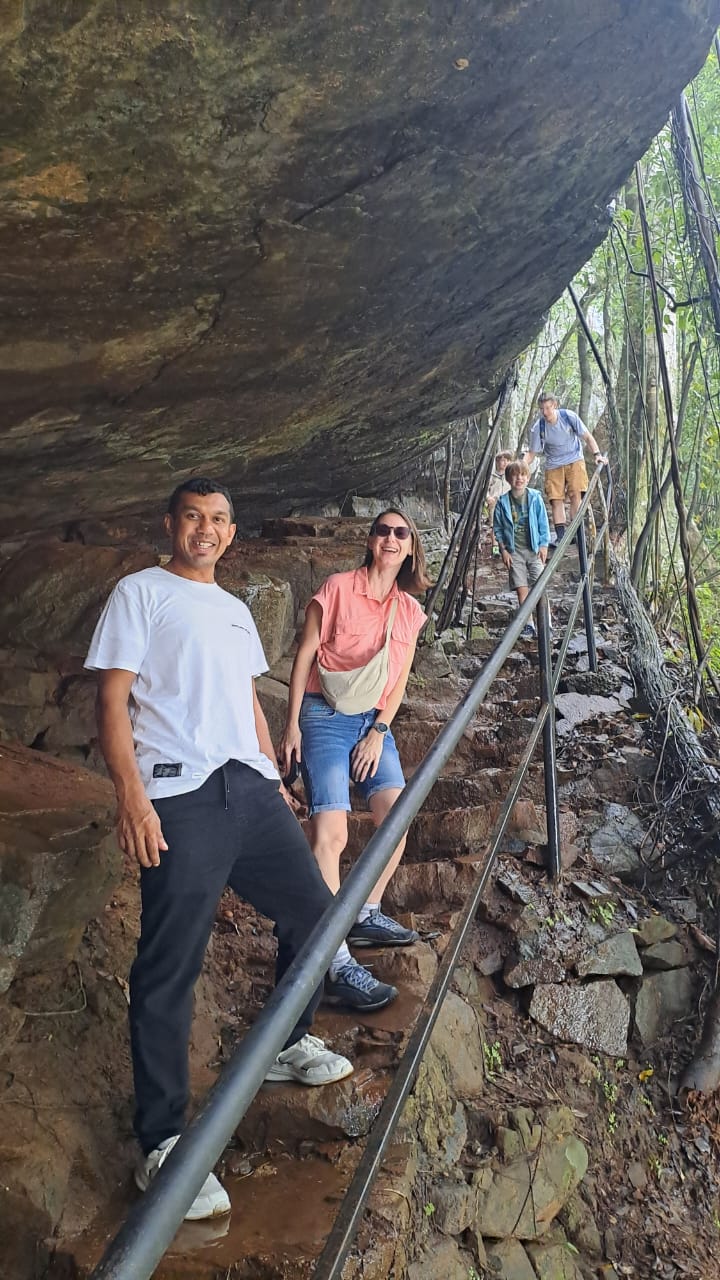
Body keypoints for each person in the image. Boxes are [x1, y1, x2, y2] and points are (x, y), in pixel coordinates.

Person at [85, 477, 353, 1222]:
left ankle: (285, 1043)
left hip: (252, 788)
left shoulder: (236, 612)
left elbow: (245, 701)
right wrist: (131, 795)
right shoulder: (139, 593)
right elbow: (111, 702)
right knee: (171, 959)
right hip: (179, 791)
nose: (206, 530)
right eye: (194, 517)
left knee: (315, 911)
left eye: (219, 521)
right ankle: (165, 1143)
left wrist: (275, 779)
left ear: (232, 535)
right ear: (171, 523)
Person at [278, 510, 431, 1012]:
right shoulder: (338, 588)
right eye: (382, 531)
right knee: (332, 834)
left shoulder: (408, 610)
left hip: (373, 723)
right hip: (324, 715)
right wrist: (293, 723)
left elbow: (400, 678)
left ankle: (364, 907)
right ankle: (336, 959)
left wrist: (380, 731)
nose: (390, 539)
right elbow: (304, 655)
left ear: (411, 548)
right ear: (370, 541)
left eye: (400, 533)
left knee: (397, 817)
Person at [524, 391, 608, 544]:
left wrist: (597, 454)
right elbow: (531, 453)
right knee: (556, 499)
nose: (545, 412)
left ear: (555, 406)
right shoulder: (539, 427)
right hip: (553, 464)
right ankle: (562, 537)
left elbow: (587, 437)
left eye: (548, 408)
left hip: (574, 459)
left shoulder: (568, 417)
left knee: (576, 495)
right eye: (542, 409)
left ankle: (576, 532)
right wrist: (521, 466)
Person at [493, 460, 550, 639]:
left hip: (533, 549)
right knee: (521, 588)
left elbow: (543, 523)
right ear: (509, 479)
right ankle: (529, 624)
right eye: (515, 475)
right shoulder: (502, 502)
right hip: (514, 550)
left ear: (528, 477)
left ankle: (546, 623)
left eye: (523, 475)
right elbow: (498, 529)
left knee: (540, 585)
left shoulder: (535, 498)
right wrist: (503, 550)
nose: (519, 478)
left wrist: (543, 544)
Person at [486, 450, 514, 555]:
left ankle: (509, 545)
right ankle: (495, 548)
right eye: (502, 460)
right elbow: (485, 489)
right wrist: (488, 498)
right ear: (497, 462)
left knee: (510, 522)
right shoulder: (492, 475)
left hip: (509, 502)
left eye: (507, 460)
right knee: (494, 525)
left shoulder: (511, 475)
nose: (504, 463)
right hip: (495, 503)